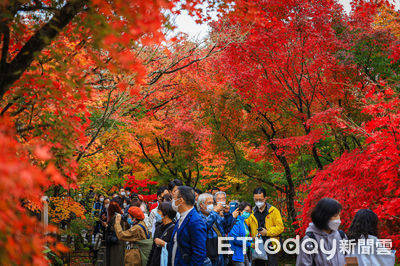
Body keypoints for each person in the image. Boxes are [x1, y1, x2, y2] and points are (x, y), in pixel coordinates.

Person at [296, 198, 347, 266]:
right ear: (324, 217)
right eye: (335, 216)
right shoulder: (310, 241)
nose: (338, 218)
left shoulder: (341, 236)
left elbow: (348, 258)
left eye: (339, 215)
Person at [167, 186, 207, 265]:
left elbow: (199, 254)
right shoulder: (181, 218)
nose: (172, 201)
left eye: (174, 198)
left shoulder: (195, 221)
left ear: (181, 200)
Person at [245, 187, 284, 266]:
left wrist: (267, 232)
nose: (258, 202)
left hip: (271, 245)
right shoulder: (251, 212)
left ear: (265, 198)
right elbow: (244, 226)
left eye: (260, 199)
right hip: (257, 246)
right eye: (256, 200)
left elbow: (280, 228)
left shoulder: (273, 211)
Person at [198, 193, 239, 266]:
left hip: (220, 253)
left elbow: (226, 227)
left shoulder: (215, 216)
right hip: (210, 257)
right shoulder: (199, 218)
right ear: (201, 205)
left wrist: (227, 213)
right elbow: (205, 226)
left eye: (212, 203)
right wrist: (214, 212)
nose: (211, 205)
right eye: (209, 203)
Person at [228, 201, 253, 266]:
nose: (248, 213)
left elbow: (245, 236)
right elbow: (235, 239)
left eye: (250, 212)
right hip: (237, 253)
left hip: (244, 252)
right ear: (241, 211)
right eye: (247, 211)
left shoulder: (244, 222)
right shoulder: (236, 222)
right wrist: (249, 244)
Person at [105, 201, 124, 266]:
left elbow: (115, 228)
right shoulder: (120, 216)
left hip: (115, 242)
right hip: (119, 241)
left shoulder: (116, 217)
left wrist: (107, 226)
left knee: (114, 260)